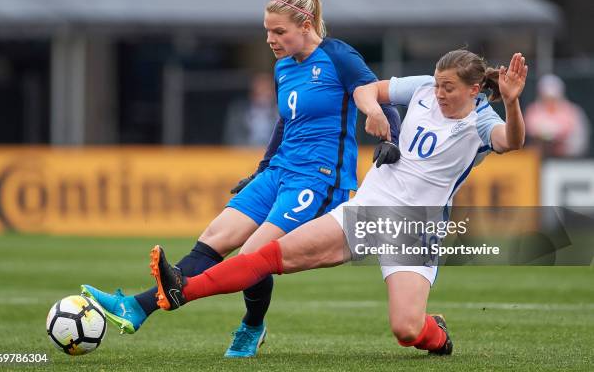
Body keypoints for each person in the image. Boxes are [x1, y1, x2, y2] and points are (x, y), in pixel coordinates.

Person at [82, 0, 401, 358]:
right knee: (214, 237)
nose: (270, 39)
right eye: (267, 31)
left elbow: (377, 98)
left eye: (279, 32)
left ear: (306, 24)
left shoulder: (339, 56)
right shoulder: (284, 67)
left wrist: (388, 135)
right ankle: (138, 308)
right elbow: (285, 123)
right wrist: (261, 170)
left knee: (252, 255)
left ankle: (249, 326)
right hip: (279, 171)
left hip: (318, 178)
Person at [148, 50, 528, 356]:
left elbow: (512, 141)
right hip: (366, 210)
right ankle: (182, 288)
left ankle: (438, 336)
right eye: (438, 84)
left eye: (448, 87)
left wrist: (511, 103)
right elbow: (364, 89)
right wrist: (377, 113)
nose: (439, 93)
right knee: (267, 255)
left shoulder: (480, 121)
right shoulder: (423, 88)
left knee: (407, 330)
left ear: (475, 89)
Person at [524, 73, 590, 157]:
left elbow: (574, 136)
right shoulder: (533, 110)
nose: (550, 102)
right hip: (540, 158)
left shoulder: (571, 111)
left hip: (569, 159)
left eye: (553, 98)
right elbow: (531, 129)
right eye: (546, 98)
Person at [223, 72, 277, 146]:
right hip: (243, 154)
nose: (264, 94)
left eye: (267, 90)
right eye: (260, 90)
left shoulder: (281, 113)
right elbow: (232, 136)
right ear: (252, 92)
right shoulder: (238, 110)